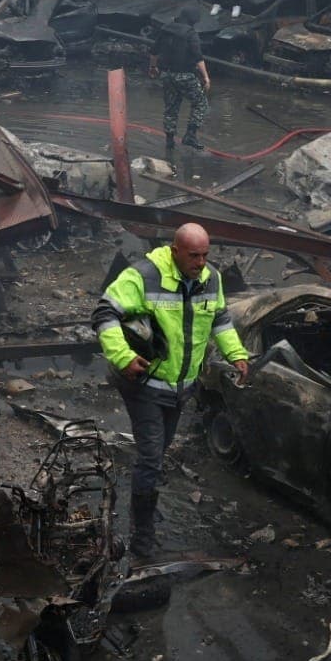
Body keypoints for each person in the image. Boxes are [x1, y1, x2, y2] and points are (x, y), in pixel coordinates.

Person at [92, 224, 250, 558]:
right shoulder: (144, 276)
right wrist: (122, 357)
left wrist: (236, 354)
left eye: (206, 255)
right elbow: (104, 312)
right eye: (194, 255)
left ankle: (144, 504)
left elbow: (220, 319)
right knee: (151, 457)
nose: (201, 262)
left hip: (180, 388)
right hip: (144, 383)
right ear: (174, 250)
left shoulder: (212, 279)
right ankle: (142, 535)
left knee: (159, 449)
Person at [149, 7, 210, 156]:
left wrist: (153, 67)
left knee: (171, 107)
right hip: (185, 76)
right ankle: (190, 135)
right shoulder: (190, 33)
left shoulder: (166, 28)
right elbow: (198, 57)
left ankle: (170, 141)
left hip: (167, 75)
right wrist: (206, 77)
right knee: (201, 103)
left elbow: (154, 51)